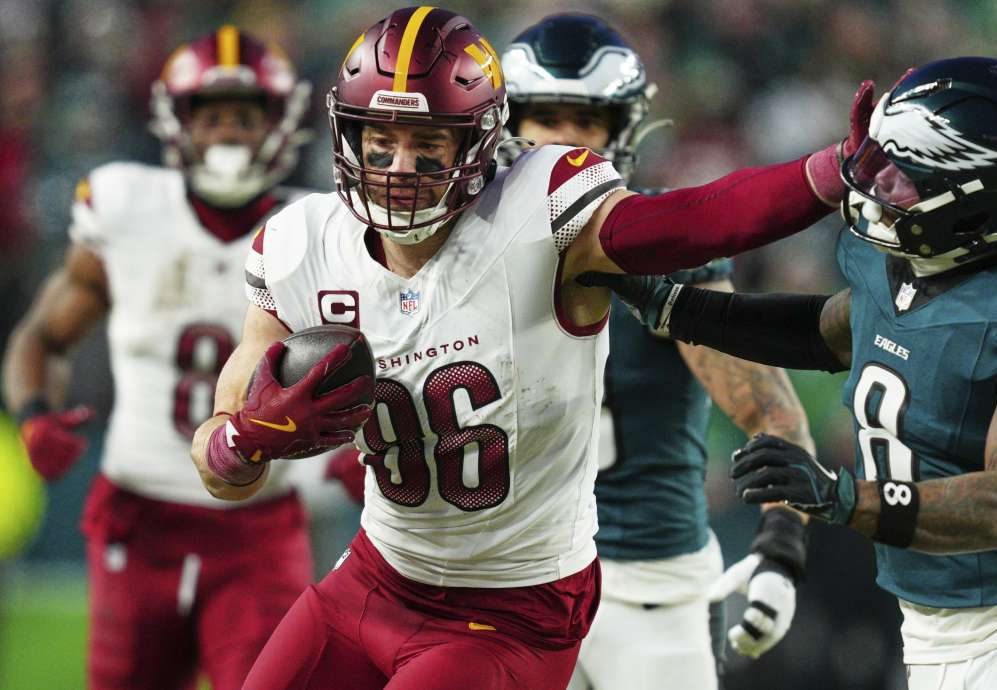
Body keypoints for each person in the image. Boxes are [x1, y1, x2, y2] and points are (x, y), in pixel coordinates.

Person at [189, 6, 885, 689]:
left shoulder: (547, 211)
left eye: (429, 142)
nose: (400, 165)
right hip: (381, 573)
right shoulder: (301, 245)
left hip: (524, 601)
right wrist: (244, 440)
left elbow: (693, 225)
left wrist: (823, 176)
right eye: (381, 138)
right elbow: (220, 460)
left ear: (479, 142)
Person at [583, 57, 997, 690]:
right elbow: (823, 330)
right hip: (930, 629)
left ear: (986, 206)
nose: (883, 183)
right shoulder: (901, 271)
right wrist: (675, 306)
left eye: (911, 173)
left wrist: (842, 496)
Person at [501, 14, 815, 689]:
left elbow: (773, 414)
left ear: (620, 133)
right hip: (504, 584)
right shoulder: (459, 249)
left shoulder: (666, 250)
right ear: (506, 123)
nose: (563, 140)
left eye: (585, 122)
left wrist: (780, 548)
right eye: (545, 117)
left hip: (647, 590)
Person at [2, 27, 314, 690]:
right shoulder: (126, 206)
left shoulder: (318, 228)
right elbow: (43, 337)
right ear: (176, 121)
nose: (228, 132)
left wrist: (350, 456)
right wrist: (34, 413)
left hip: (257, 523)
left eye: (245, 115)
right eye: (212, 115)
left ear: (280, 124)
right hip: (140, 517)